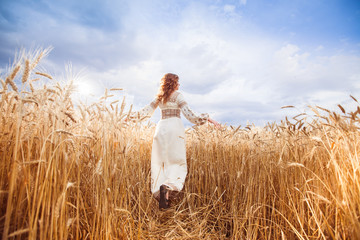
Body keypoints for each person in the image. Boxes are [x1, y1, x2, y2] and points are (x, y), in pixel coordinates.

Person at [132, 73, 220, 210]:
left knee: (160, 163)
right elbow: (191, 116)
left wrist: (129, 118)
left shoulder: (160, 97)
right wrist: (209, 118)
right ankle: (167, 187)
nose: (179, 85)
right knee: (177, 162)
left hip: (161, 129)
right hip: (175, 129)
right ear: (174, 83)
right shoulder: (178, 95)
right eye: (178, 82)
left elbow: (146, 111)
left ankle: (164, 200)